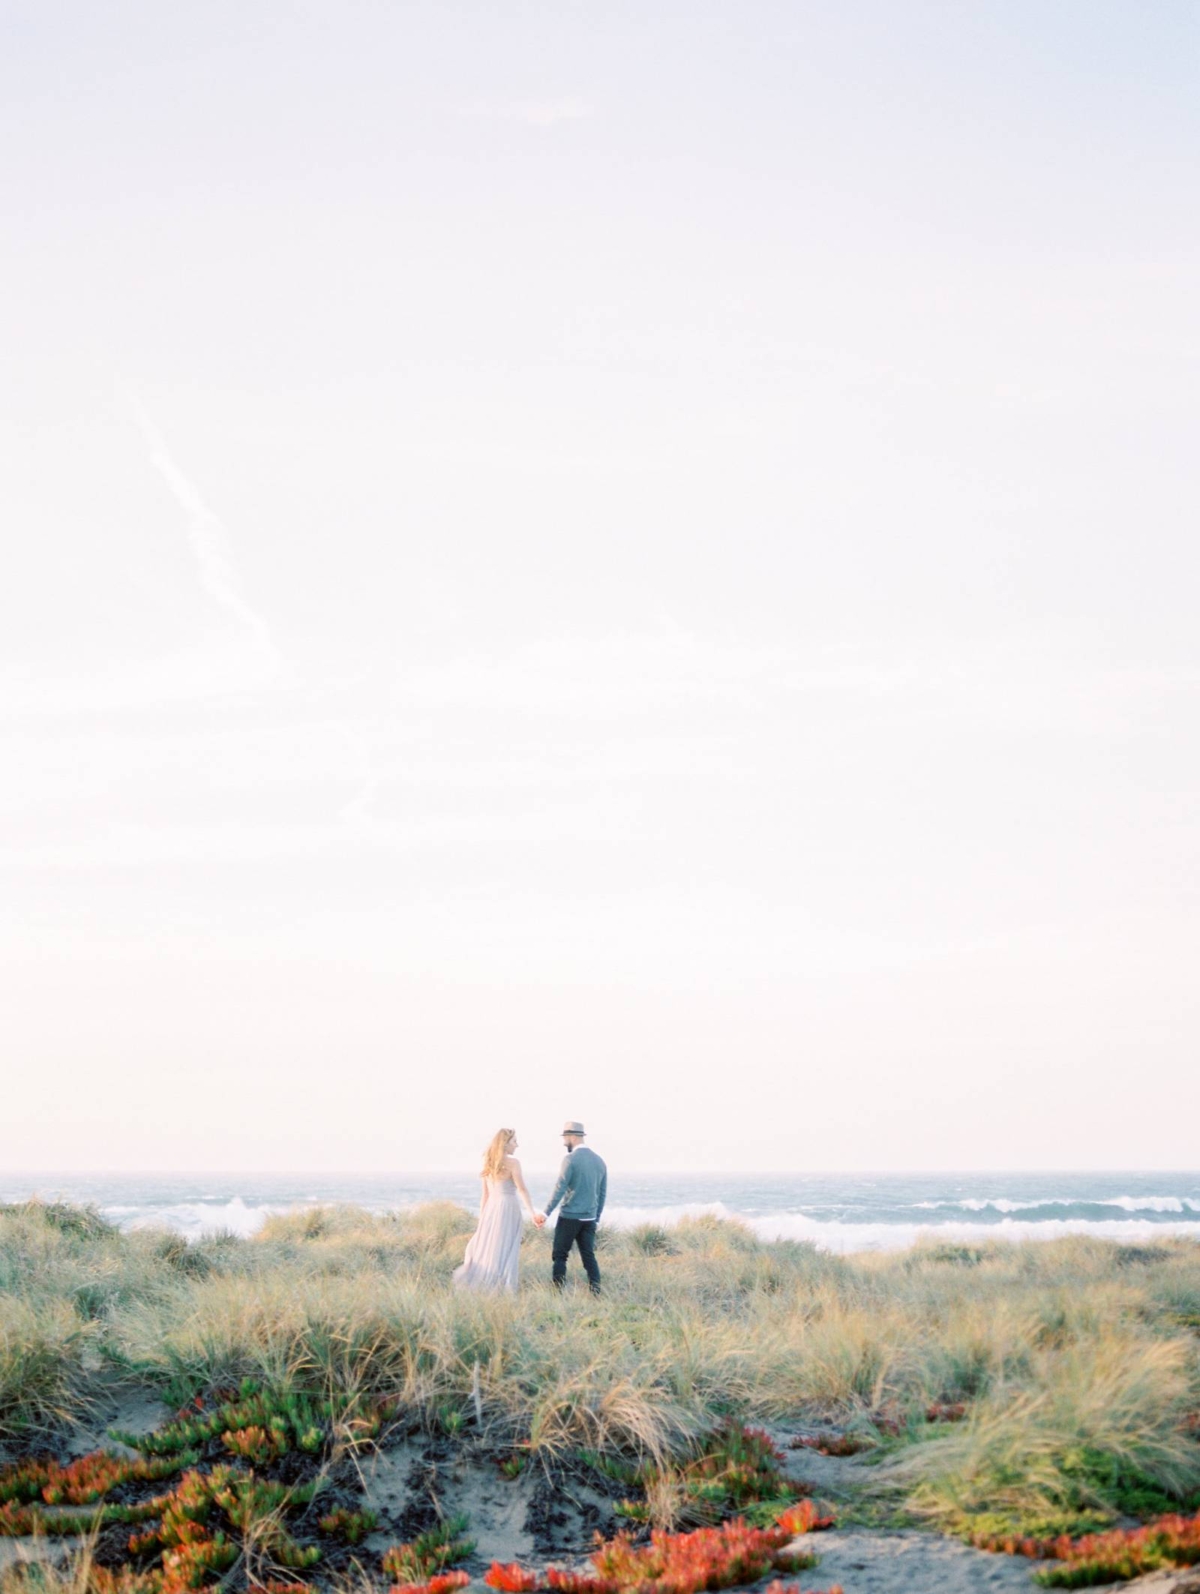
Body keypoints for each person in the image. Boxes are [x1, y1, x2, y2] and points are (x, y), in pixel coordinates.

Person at [452, 1128, 544, 1293]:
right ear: (505, 1143)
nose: (517, 1145)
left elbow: (485, 1196)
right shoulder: (513, 1163)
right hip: (508, 1208)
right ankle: (502, 1287)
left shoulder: (488, 1162)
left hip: (491, 1209)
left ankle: (489, 1285)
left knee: (490, 1246)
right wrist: (532, 1213)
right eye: (514, 1141)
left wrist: (482, 1220)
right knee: (506, 1248)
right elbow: (522, 1189)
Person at [543, 1119, 607, 1294]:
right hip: (590, 1218)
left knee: (560, 1256)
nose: (564, 1141)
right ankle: (596, 1292)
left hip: (570, 1217)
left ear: (572, 1136)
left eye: (565, 1137)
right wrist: (597, 1217)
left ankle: (557, 1293)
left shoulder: (570, 1159)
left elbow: (559, 1188)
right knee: (589, 1256)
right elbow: (601, 1194)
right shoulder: (599, 1161)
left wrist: (545, 1213)